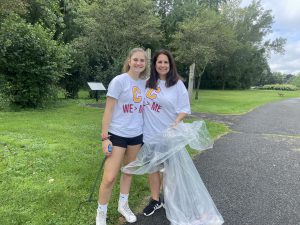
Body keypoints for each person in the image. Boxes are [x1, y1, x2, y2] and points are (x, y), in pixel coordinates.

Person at [122, 49, 224, 225]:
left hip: (169, 135)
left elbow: (184, 108)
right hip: (149, 134)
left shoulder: (177, 85)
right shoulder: (147, 83)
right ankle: (156, 200)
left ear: (170, 65)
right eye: (159, 62)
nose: (162, 65)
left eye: (166, 62)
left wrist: (177, 121)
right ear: (154, 65)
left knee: (171, 170)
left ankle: (171, 201)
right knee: (153, 168)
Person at [96, 48, 148, 225]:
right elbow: (108, 110)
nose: (139, 63)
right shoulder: (119, 81)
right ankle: (101, 213)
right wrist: (105, 138)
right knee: (109, 177)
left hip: (136, 135)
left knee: (128, 172)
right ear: (129, 61)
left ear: (145, 63)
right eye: (136, 59)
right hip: (117, 135)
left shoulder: (145, 84)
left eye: (142, 60)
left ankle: (122, 205)